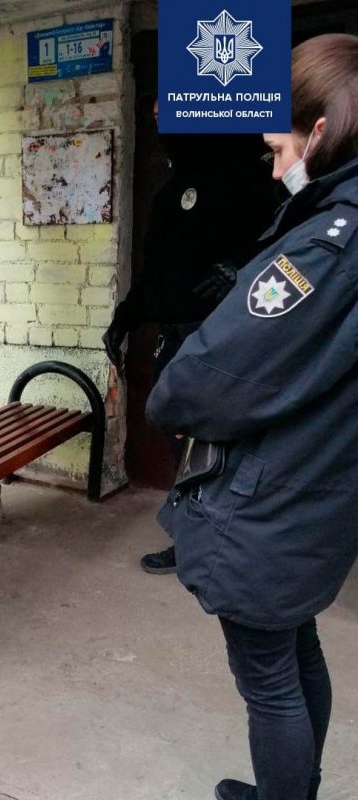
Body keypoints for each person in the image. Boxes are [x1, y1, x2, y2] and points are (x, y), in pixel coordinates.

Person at [146, 33, 358, 800]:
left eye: (278, 148)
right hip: (320, 488)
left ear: (321, 131)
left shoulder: (329, 244)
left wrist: (166, 398)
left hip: (277, 497)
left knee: (269, 679)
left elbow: (214, 372)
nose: (274, 168)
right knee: (295, 648)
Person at [103, 99, 278, 575]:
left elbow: (279, 239)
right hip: (174, 341)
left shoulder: (244, 177)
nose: (162, 125)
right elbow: (152, 274)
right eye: (155, 117)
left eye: (169, 114)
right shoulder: (168, 197)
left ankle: (220, 539)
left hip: (219, 338)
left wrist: (238, 267)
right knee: (181, 438)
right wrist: (125, 318)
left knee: (219, 443)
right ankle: (199, 535)